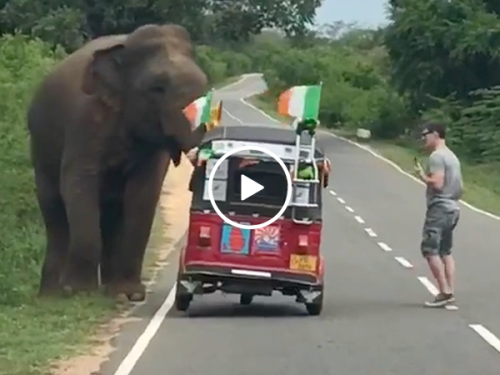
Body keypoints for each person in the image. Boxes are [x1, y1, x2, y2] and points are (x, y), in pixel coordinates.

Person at [414, 121, 463, 307]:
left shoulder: (436, 157)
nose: (424, 139)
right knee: (445, 251)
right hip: (453, 207)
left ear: (435, 134)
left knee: (430, 249)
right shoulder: (452, 156)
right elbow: (461, 187)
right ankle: (450, 289)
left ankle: (444, 291)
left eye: (425, 135)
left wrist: (422, 176)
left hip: (440, 207)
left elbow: (437, 183)